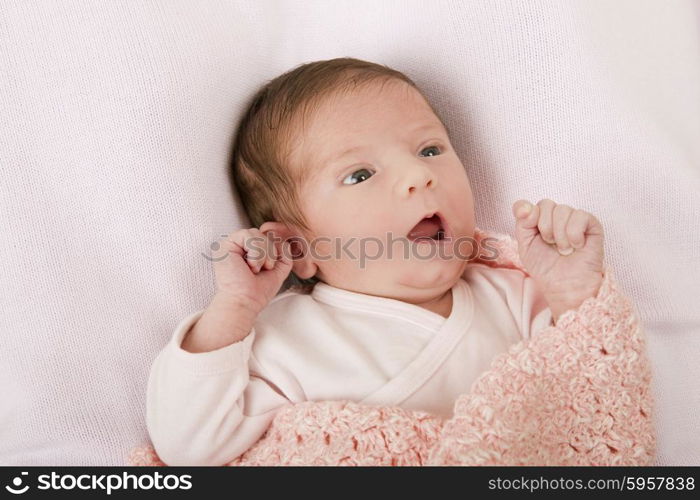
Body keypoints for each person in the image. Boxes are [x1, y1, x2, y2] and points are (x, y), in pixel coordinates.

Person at [146, 57, 605, 466]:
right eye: (360, 174)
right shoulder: (283, 340)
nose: (418, 175)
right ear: (298, 248)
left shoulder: (513, 297)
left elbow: (586, 398)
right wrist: (235, 308)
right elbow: (189, 448)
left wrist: (571, 293)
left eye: (430, 150)